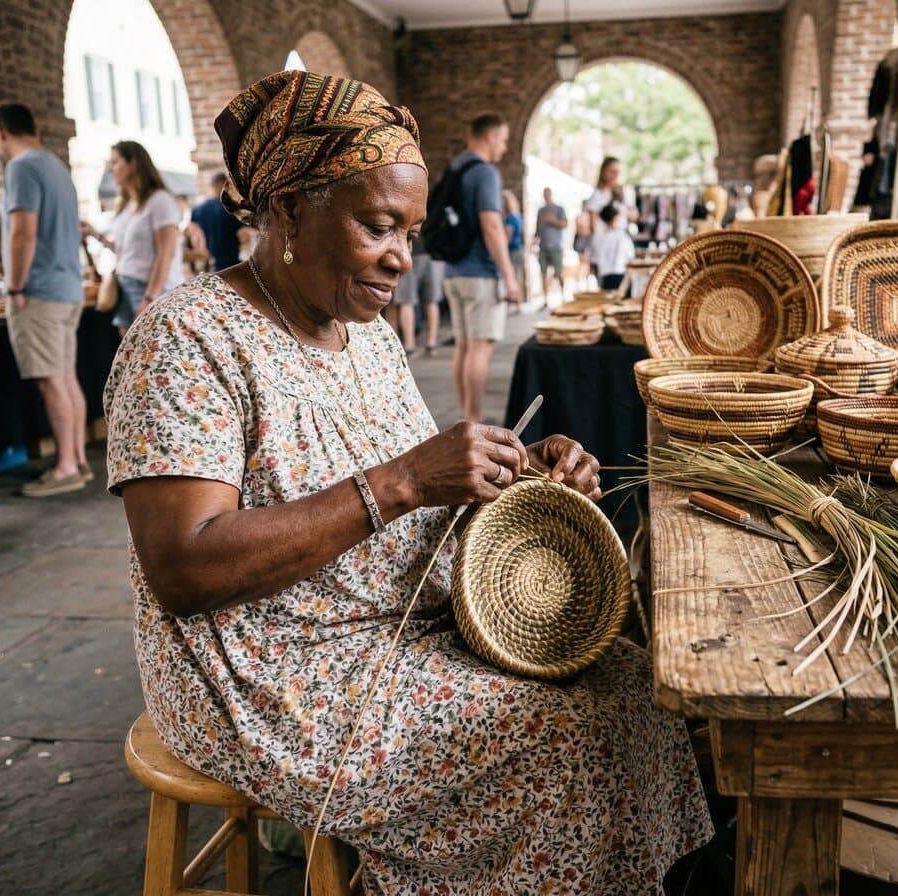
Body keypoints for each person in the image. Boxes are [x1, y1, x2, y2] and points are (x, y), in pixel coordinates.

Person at [104, 70, 711, 895]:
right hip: (271, 673)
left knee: (633, 683)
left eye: (412, 232)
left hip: (405, 624)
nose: (401, 256)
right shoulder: (187, 339)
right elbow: (182, 567)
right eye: (378, 225)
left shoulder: (367, 335)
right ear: (290, 210)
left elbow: (425, 488)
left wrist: (520, 476)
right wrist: (401, 483)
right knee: (566, 737)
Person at [0, 103, 90, 497]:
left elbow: (23, 232)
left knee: (51, 382)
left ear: (0, 132)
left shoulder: (21, 167)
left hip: (40, 291)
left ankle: (65, 467)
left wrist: (14, 287)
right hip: (67, 288)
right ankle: (78, 460)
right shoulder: (56, 166)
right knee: (65, 377)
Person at [441, 113, 521, 423]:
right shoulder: (485, 172)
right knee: (480, 347)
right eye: (503, 140)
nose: (504, 147)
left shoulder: (455, 168)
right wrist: (509, 276)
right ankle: (474, 420)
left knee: (463, 346)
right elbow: (491, 224)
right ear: (490, 136)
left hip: (453, 271)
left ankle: (466, 418)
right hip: (480, 274)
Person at [84, 140, 183, 334]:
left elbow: (166, 253)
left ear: (133, 164)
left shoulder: (160, 200)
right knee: (130, 346)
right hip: (126, 285)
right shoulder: (127, 205)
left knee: (152, 345)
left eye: (115, 162)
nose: (110, 169)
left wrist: (150, 297)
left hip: (151, 288)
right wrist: (95, 234)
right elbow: (127, 250)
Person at [190, 171, 253, 271]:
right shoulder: (233, 209)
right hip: (232, 264)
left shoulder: (197, 210)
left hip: (209, 264)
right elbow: (244, 235)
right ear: (225, 186)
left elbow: (195, 238)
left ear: (212, 186)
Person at [391, 244, 441, 356]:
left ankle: (409, 345)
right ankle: (431, 342)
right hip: (431, 252)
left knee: (406, 301)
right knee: (431, 300)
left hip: (407, 252)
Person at [589, 204, 635, 291]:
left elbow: (593, 258)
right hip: (620, 273)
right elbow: (630, 255)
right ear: (615, 218)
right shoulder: (622, 236)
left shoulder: (598, 236)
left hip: (603, 275)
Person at [534, 186, 567, 300]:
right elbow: (537, 230)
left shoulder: (559, 209)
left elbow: (565, 224)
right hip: (543, 246)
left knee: (559, 272)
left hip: (556, 246)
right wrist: (533, 243)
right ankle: (545, 299)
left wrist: (553, 221)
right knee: (543, 272)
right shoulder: (541, 211)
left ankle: (563, 295)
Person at [501, 188, 526, 302]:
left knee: (514, 277)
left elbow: (507, 238)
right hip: (518, 250)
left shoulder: (510, 219)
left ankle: (516, 302)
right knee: (517, 277)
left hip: (513, 251)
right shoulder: (516, 216)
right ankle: (518, 302)